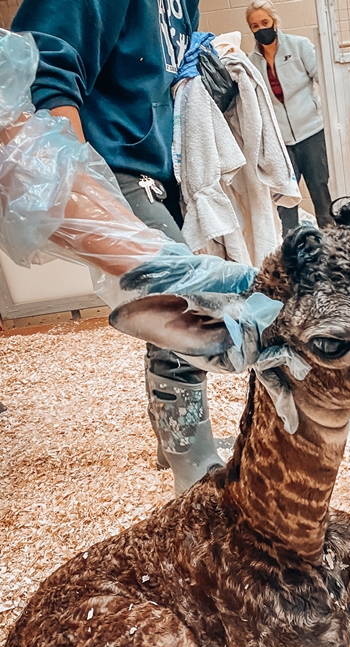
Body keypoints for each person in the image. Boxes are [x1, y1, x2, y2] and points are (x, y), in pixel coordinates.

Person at [12, 0, 226, 496]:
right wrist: (90, 195)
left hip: (158, 170)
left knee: (167, 309)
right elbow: (40, 67)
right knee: (187, 305)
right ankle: (192, 466)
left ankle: (171, 436)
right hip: (110, 169)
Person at [246, 0, 334, 234]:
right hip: (281, 142)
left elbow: (323, 78)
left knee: (320, 190)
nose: (261, 29)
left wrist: (319, 109)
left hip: (311, 132)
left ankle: (331, 241)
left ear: (274, 21)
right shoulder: (251, 62)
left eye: (265, 22)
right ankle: (290, 249)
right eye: (255, 26)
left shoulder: (299, 46)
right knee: (286, 200)